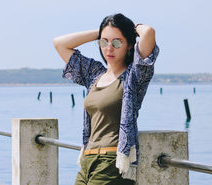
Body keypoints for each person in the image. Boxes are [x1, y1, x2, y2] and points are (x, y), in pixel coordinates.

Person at [53, 13, 159, 185]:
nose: (109, 48)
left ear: (129, 45)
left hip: (112, 162)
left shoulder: (134, 76)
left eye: (117, 42)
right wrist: (103, 31)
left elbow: (149, 33)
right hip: (87, 160)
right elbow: (60, 44)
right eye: (104, 42)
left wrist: (131, 28)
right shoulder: (94, 74)